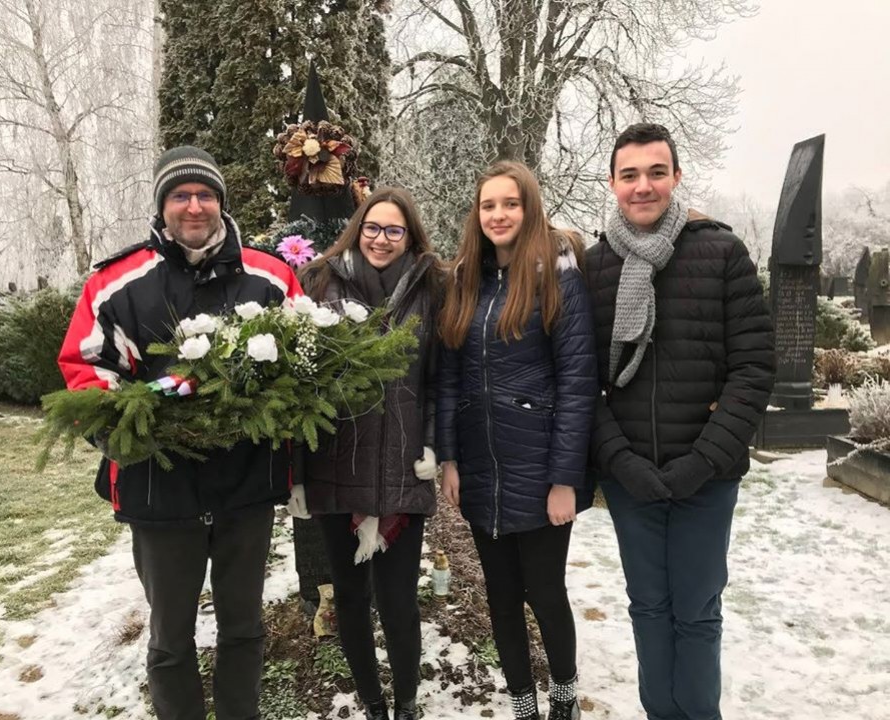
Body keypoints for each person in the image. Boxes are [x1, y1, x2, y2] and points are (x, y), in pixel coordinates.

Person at [58, 146, 304, 720]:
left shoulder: (271, 277)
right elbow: (84, 369)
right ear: (163, 205)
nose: (194, 206)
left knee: (244, 628)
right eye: (180, 195)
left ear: (221, 202)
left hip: (247, 486)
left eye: (206, 195)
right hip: (158, 489)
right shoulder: (118, 282)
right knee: (171, 638)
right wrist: (135, 424)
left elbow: (304, 368)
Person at [585, 123, 774, 720]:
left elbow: (752, 367)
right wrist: (620, 462)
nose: (643, 186)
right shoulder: (595, 266)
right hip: (631, 477)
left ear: (676, 177)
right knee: (648, 607)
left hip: (706, 477)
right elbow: (580, 379)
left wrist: (704, 461)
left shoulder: (721, 253)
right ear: (612, 183)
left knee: (695, 611)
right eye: (630, 175)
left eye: (656, 172)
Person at [436, 161, 597, 720]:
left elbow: (578, 382)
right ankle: (523, 701)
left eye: (510, 203)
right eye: (488, 206)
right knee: (501, 598)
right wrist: (450, 459)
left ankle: (563, 697)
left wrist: (564, 480)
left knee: (545, 595)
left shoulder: (557, 275)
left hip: (539, 467)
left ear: (529, 209)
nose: (498, 215)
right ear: (476, 215)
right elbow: (450, 378)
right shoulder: (465, 281)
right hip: (481, 468)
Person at [293, 186, 443, 720]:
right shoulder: (319, 283)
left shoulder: (430, 289)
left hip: (404, 467)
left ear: (410, 236)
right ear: (358, 229)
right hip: (338, 466)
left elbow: (437, 380)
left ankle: (405, 703)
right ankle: (373, 703)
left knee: (400, 602)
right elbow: (302, 381)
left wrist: (432, 444)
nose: (382, 240)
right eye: (373, 228)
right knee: (351, 600)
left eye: (394, 230)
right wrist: (299, 472)